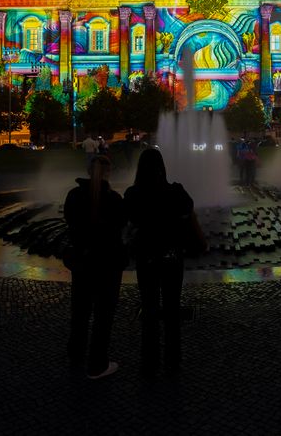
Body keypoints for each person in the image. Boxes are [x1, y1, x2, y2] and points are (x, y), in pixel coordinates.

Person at [124, 148, 196, 375]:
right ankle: (173, 360)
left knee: (150, 307)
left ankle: (150, 360)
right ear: (162, 167)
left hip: (147, 258)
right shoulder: (175, 191)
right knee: (172, 308)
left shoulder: (133, 194)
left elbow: (130, 218)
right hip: (172, 257)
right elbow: (188, 209)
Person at [63, 155, 127, 379]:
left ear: (88, 171)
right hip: (107, 264)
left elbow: (70, 222)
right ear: (108, 173)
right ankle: (97, 363)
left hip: (82, 262)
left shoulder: (73, 196)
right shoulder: (114, 199)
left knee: (80, 309)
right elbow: (120, 227)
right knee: (103, 314)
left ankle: (76, 353)